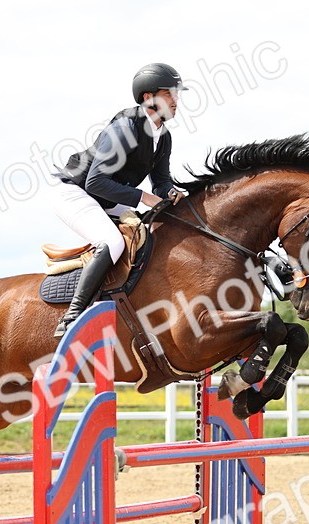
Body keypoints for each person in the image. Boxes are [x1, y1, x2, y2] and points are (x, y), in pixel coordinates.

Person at [49, 62, 189, 338]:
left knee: (151, 233)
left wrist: (170, 193)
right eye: (170, 93)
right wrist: (144, 197)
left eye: (176, 94)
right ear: (148, 97)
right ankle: (72, 317)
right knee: (112, 242)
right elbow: (96, 181)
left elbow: (160, 181)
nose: (176, 100)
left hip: (108, 196)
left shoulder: (163, 136)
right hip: (75, 191)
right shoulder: (126, 127)